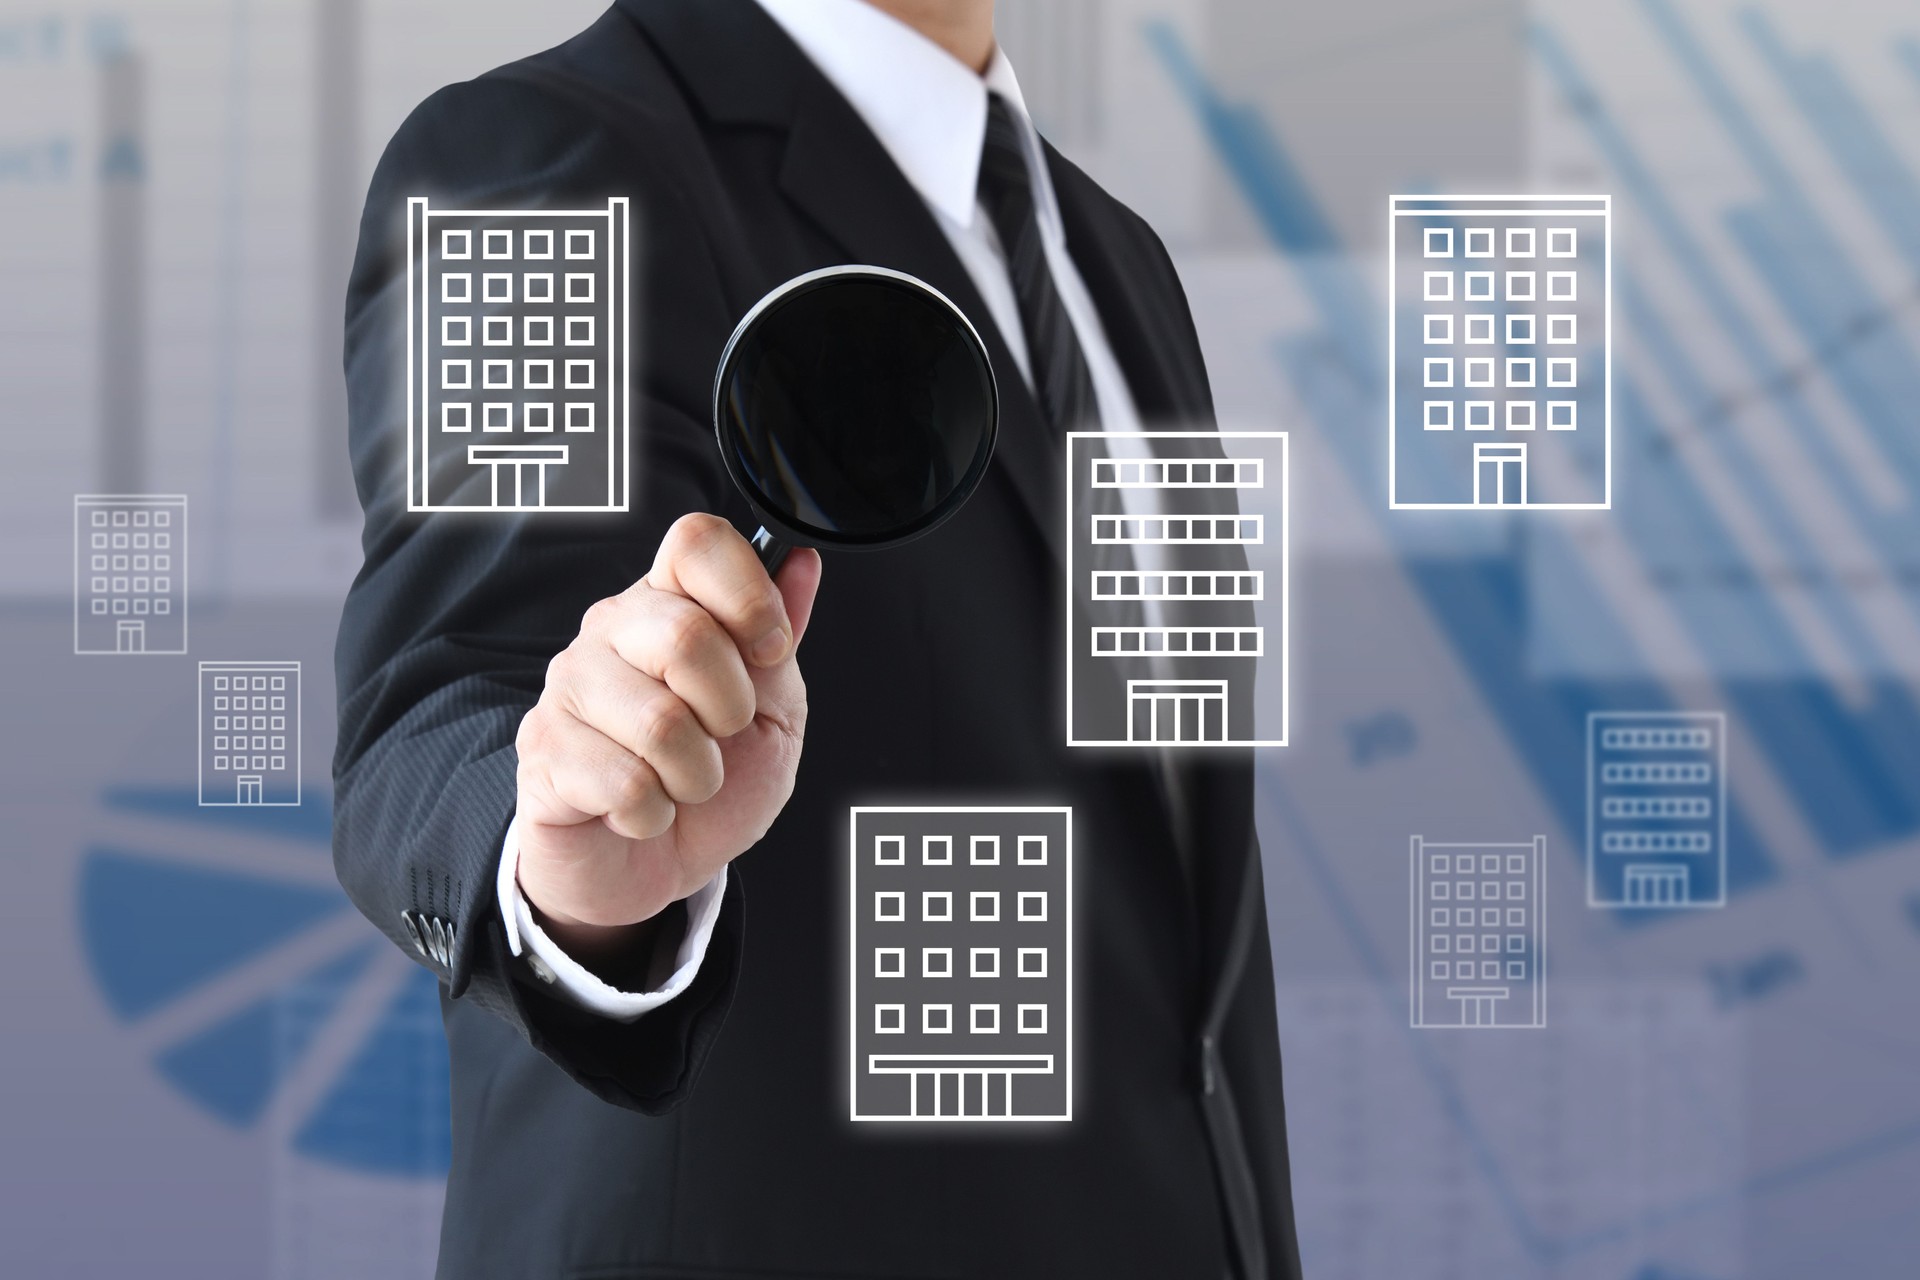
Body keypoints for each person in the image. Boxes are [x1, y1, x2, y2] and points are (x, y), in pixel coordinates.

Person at [333, 0, 1301, 1275]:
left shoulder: (1118, 265)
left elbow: (1175, 907)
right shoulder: (549, 157)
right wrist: (565, 865)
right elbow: (440, 702)